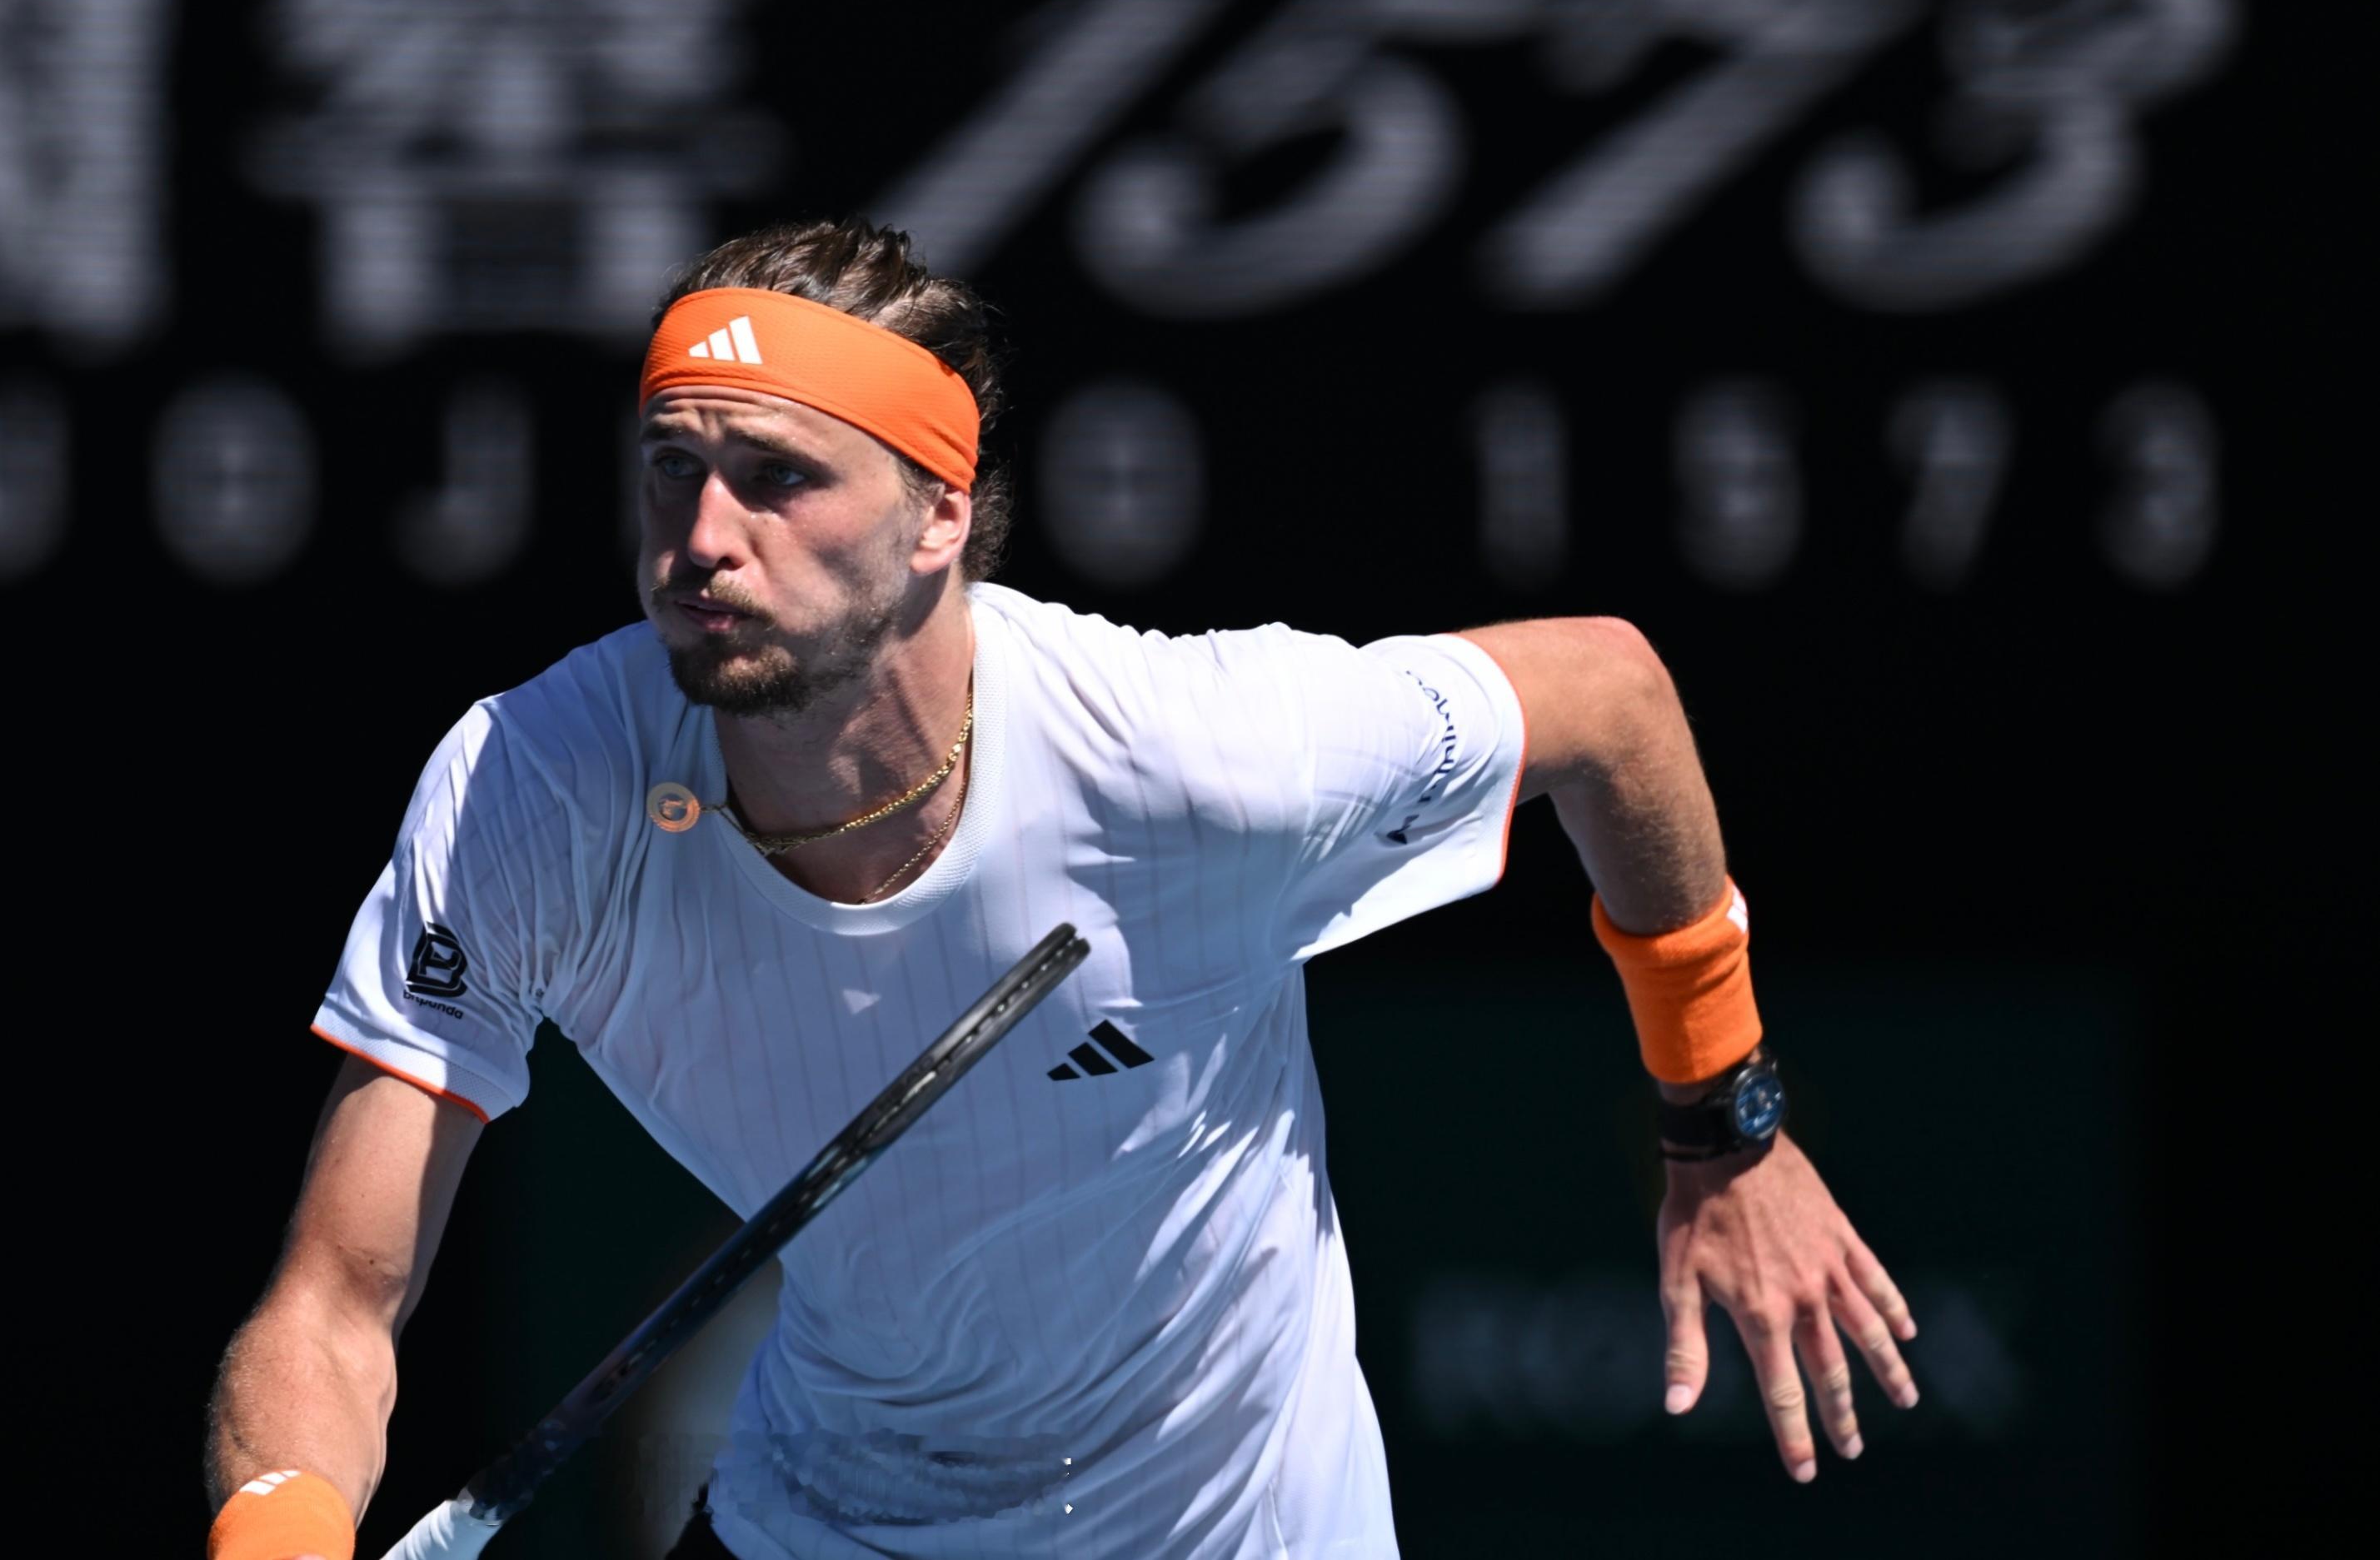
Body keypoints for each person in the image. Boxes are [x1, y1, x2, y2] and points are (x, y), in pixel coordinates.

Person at [207, 217, 1918, 1560]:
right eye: (672, 464)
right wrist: (278, 1529)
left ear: (937, 516)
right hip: (833, 1526)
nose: (703, 535)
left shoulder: (1198, 762)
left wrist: (1722, 1119)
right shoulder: (529, 786)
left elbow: (1610, 697)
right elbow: (334, 1300)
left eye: (780, 477)